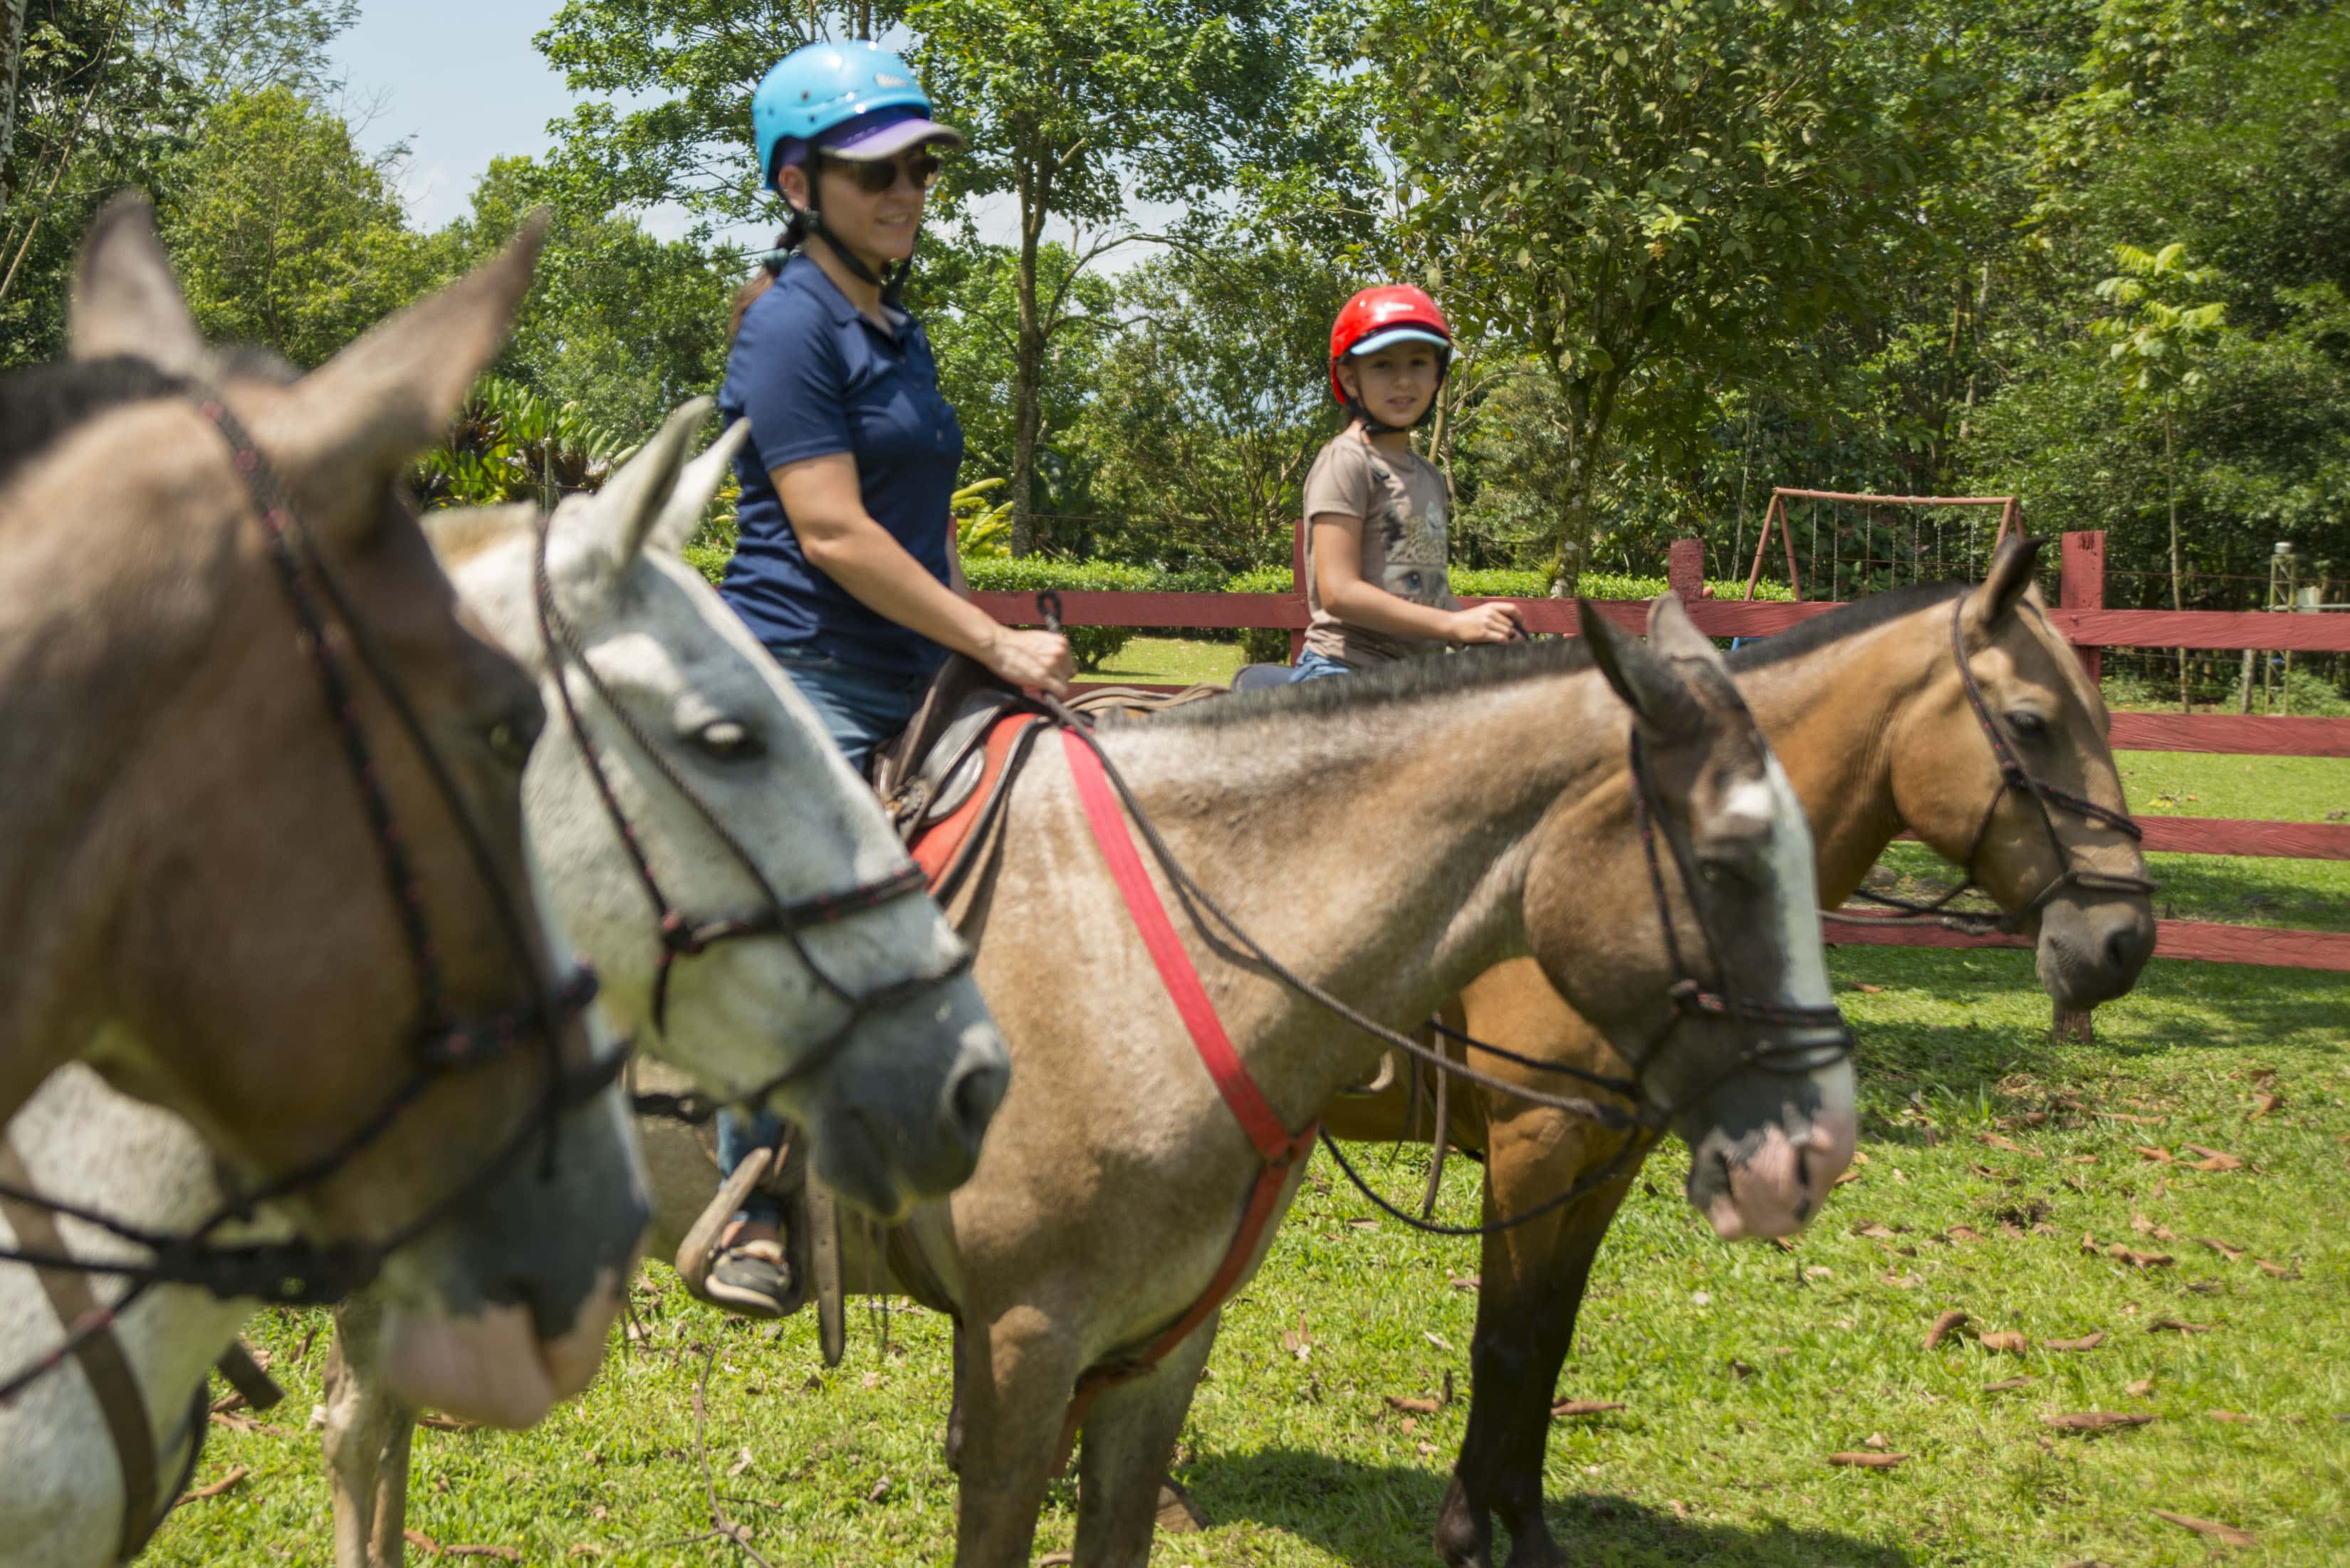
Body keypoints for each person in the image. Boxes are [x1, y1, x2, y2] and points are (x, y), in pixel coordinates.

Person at [704, 41, 1074, 1317]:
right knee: (805, 901)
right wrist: (992, 639)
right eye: (878, 173)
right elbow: (836, 533)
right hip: (803, 666)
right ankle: (751, 1188)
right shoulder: (790, 325)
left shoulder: (895, 326)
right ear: (798, 184)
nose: (909, 191)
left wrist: (985, 650)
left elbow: (921, 527)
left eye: (919, 167)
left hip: (920, 671)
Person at [1292, 286, 1523, 681]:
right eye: (1382, 365)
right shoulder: (1346, 461)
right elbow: (1338, 592)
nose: (1403, 381)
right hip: (1344, 669)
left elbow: (1425, 589)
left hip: (1417, 673)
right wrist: (1454, 628)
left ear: (1437, 376)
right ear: (1349, 378)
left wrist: (1477, 625)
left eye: (1418, 363)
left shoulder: (1429, 475)